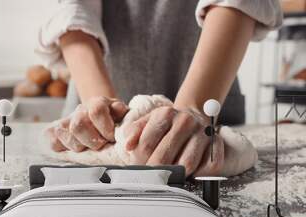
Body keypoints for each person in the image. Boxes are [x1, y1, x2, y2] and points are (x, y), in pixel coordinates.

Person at [37, 0, 282, 175]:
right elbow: (72, 8)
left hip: (212, 93)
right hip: (94, 88)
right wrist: (102, 113)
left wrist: (194, 108)